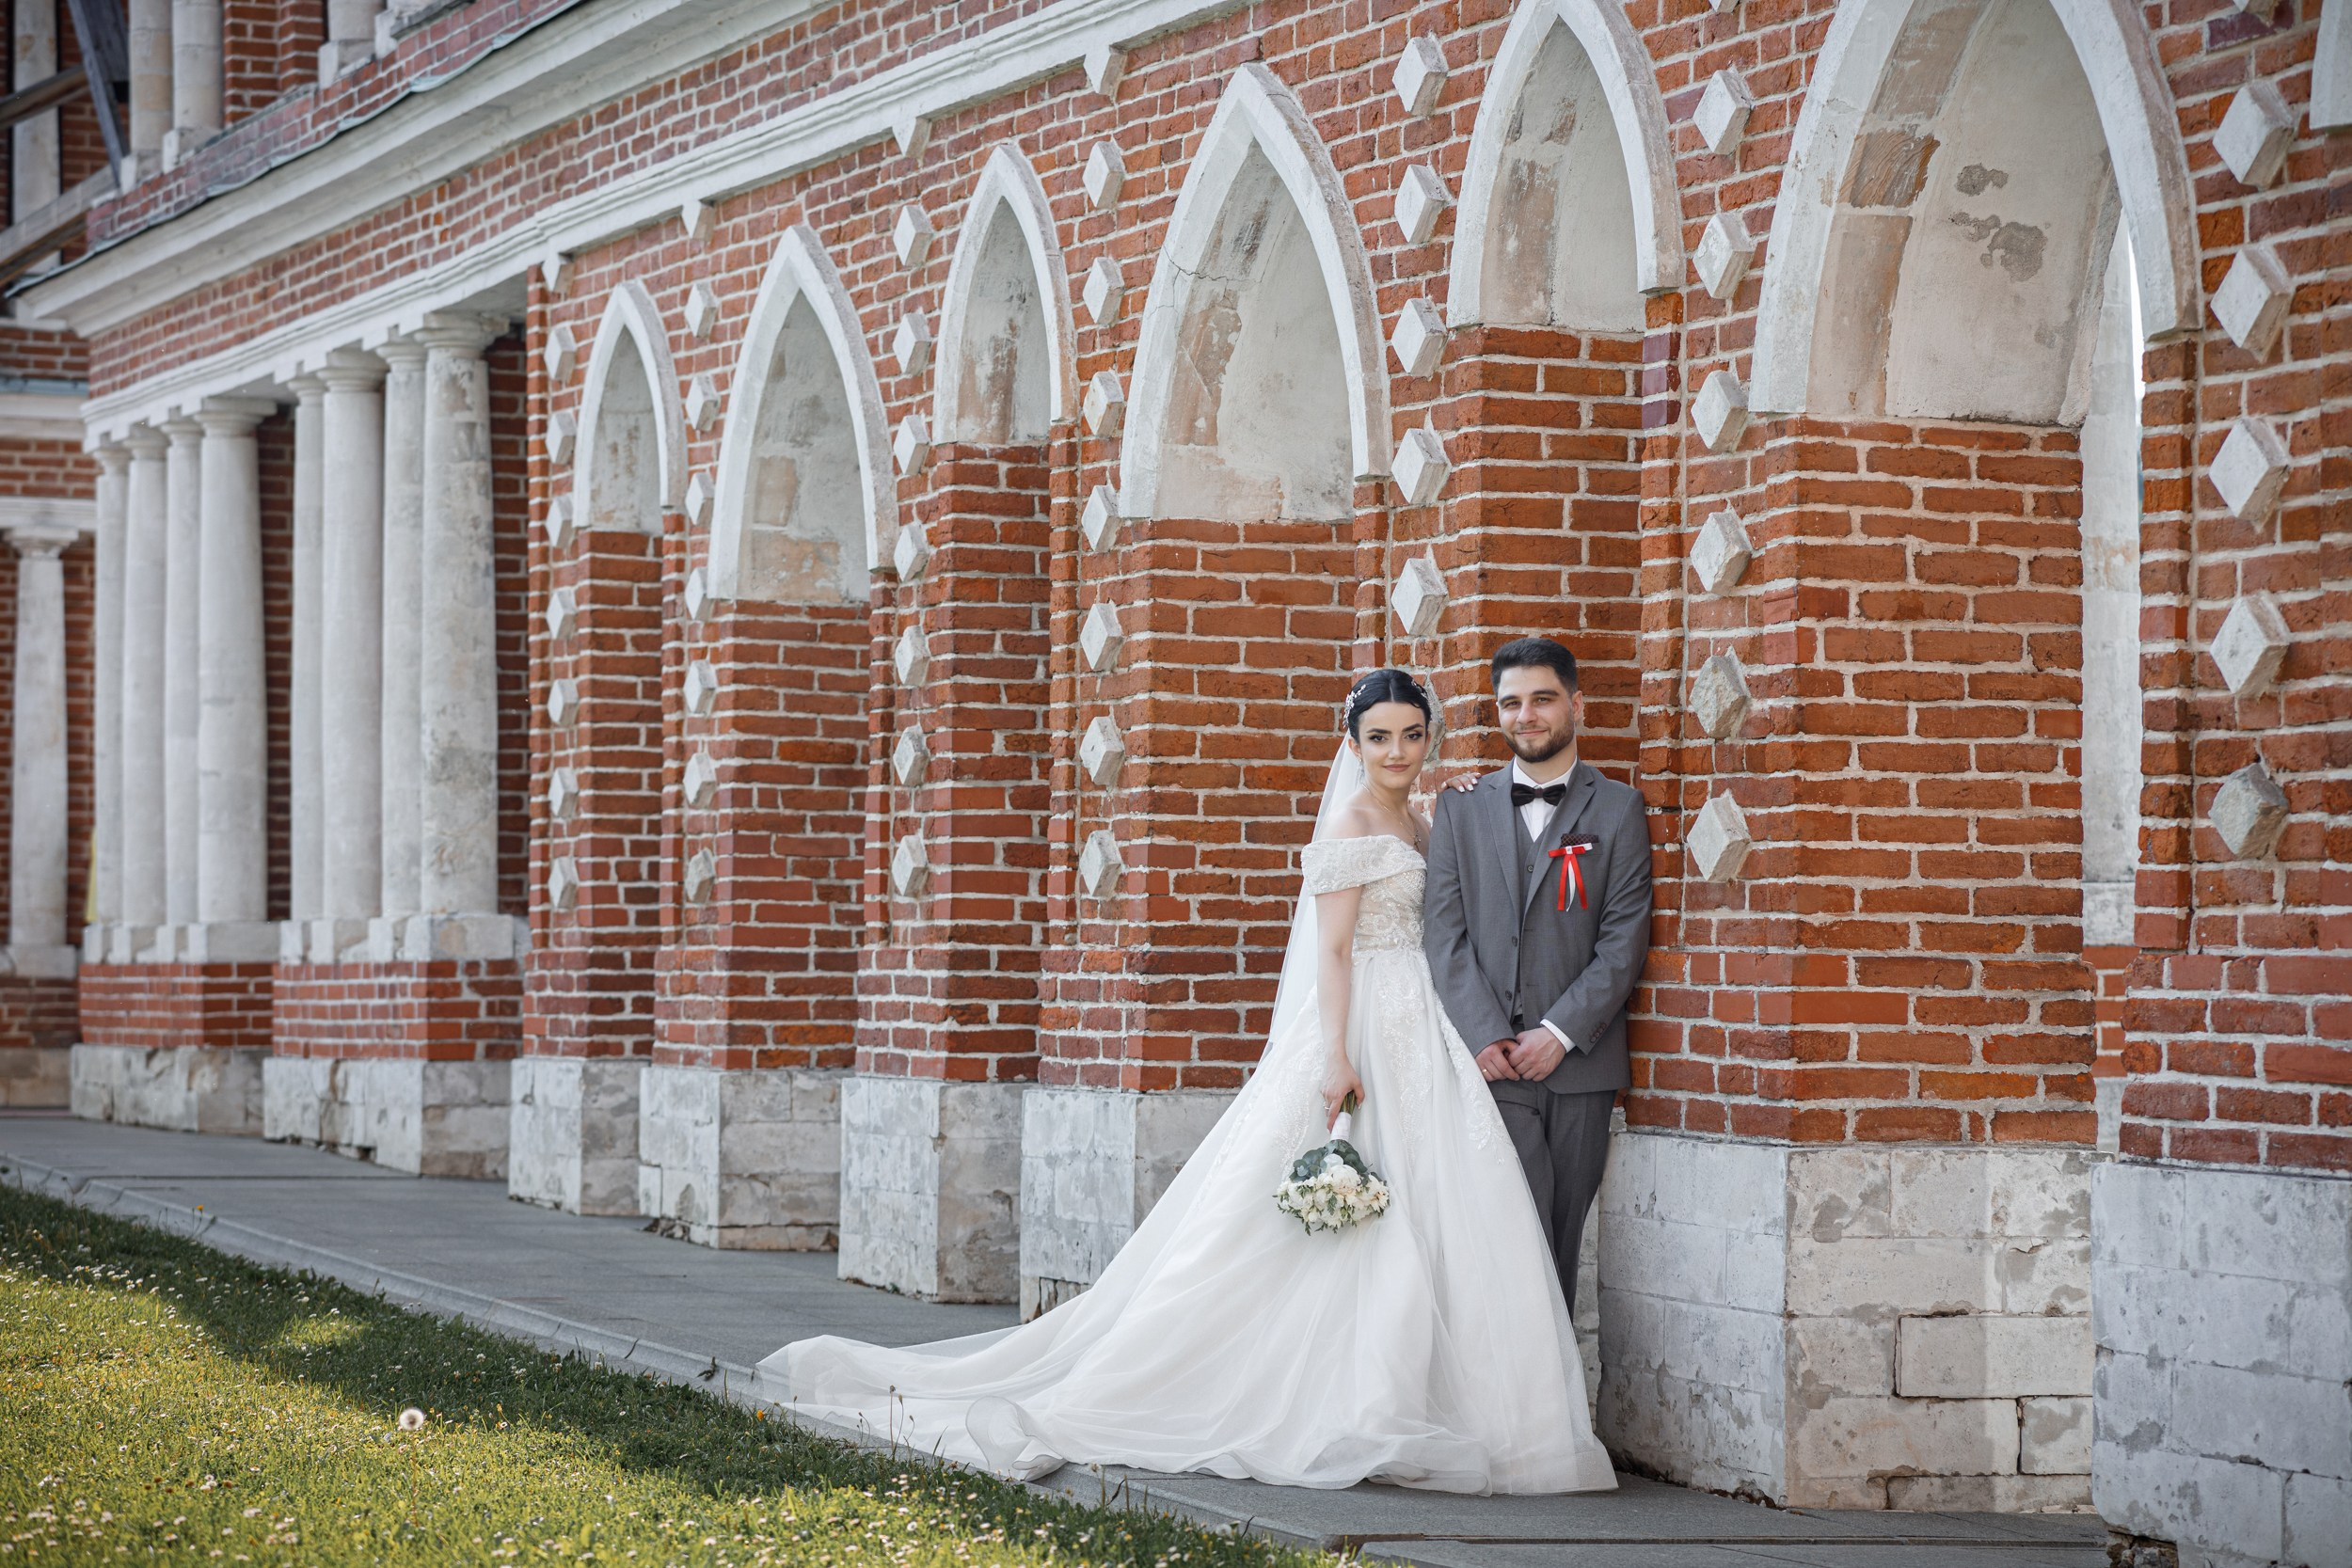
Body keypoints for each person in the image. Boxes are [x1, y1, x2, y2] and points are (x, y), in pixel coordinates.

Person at [761, 668, 1616, 1496]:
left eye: (1412, 734)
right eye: (1380, 737)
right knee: (1335, 1216)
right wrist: (1335, 1053)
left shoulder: (1434, 816)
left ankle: (1436, 1400)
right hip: (1362, 1025)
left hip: (1425, 1026)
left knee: (1439, 1207)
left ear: (1430, 736)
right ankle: (1323, 1396)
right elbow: (1327, 952)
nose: (1398, 750)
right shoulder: (1353, 820)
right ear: (1353, 744)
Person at [1424, 638, 1652, 1314]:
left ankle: (1544, 1406)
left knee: (1558, 1239)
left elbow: (1623, 938)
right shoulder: (1459, 809)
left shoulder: (1619, 810)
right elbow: (1444, 932)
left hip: (1580, 1066)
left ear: (1576, 704)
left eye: (1542, 698)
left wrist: (1560, 1031)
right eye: (1511, 702)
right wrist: (1485, 1033)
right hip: (1489, 1064)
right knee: (1496, 1235)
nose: (1526, 715)